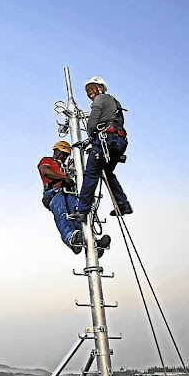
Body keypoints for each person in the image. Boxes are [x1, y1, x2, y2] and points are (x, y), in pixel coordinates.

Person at [72, 76, 132, 222]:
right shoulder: (114, 103)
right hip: (118, 142)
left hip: (106, 141)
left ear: (101, 87)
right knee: (107, 172)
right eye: (87, 90)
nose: (90, 93)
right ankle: (123, 204)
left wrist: (91, 135)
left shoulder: (101, 99)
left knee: (91, 175)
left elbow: (91, 125)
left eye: (92, 88)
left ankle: (82, 211)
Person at [39, 141, 110, 255]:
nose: (64, 157)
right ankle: (70, 238)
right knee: (63, 214)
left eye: (66, 155)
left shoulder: (64, 167)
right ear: (56, 151)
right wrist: (64, 177)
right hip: (54, 193)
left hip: (68, 193)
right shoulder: (47, 161)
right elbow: (45, 171)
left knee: (79, 216)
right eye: (62, 153)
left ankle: (93, 244)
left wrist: (72, 168)